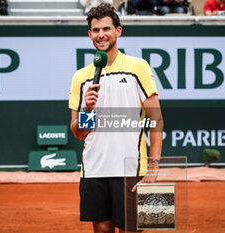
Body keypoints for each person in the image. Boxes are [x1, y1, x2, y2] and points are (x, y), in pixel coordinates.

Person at [69, 3, 163, 233]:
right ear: (90, 34)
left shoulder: (138, 66)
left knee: (134, 230)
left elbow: (157, 119)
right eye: (96, 30)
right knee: (101, 231)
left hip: (131, 168)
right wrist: (87, 112)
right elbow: (79, 132)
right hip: (93, 170)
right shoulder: (80, 77)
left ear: (118, 31)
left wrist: (153, 168)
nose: (101, 35)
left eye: (106, 29)